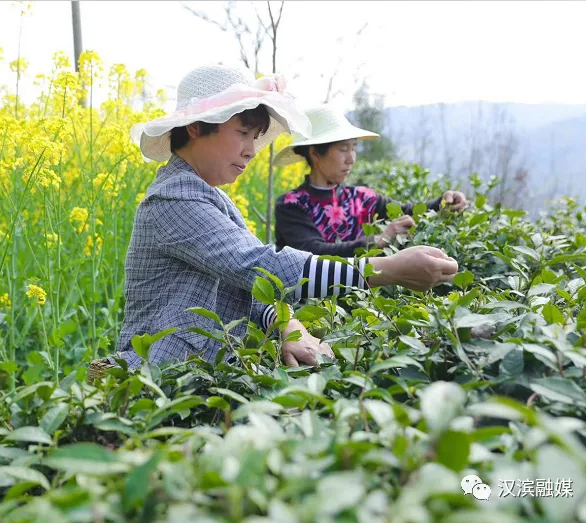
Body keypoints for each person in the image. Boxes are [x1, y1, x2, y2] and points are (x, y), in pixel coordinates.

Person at [91, 65, 459, 378]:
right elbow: (258, 266)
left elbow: (239, 284)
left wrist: (284, 322)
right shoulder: (174, 199)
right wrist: (383, 270)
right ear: (196, 128)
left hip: (199, 366)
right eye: (242, 134)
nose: (251, 150)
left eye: (255, 137)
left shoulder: (210, 196)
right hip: (159, 372)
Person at [273, 104, 468, 256]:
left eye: (354, 148)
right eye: (343, 149)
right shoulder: (291, 206)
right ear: (315, 153)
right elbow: (313, 252)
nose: (351, 158)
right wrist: (378, 240)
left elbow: (409, 212)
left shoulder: (362, 199)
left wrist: (444, 203)